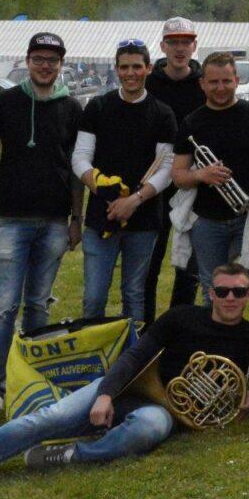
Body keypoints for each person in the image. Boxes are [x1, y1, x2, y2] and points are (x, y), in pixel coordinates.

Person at [0, 264, 249, 499]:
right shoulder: (180, 317)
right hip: (125, 390)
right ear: (210, 292)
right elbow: (133, 357)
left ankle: (67, 454)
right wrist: (106, 394)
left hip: (168, 413)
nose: (229, 298)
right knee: (45, 420)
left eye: (238, 292)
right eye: (222, 290)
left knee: (147, 430)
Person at [0, 32, 83, 424]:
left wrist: (77, 217)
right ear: (27, 60)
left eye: (52, 60)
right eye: (38, 58)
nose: (45, 65)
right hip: (9, 220)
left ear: (61, 63)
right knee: (2, 309)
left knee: (38, 307)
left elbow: (79, 170)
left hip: (54, 222)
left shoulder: (72, 108)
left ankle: (33, 383)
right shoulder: (2, 103)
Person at [171, 52, 249, 321]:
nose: (220, 88)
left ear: (236, 80)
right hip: (207, 222)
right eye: (213, 82)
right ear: (202, 84)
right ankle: (217, 348)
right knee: (213, 288)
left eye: (226, 81)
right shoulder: (191, 123)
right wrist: (202, 175)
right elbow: (178, 175)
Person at [72, 40, 176, 323]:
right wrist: (100, 186)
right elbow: (80, 158)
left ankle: (132, 362)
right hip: (101, 217)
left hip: (143, 220)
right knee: (94, 297)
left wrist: (134, 200)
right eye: (125, 67)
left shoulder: (163, 113)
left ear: (149, 69)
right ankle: (94, 359)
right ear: (116, 70)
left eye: (137, 67)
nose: (131, 73)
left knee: (134, 294)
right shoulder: (98, 107)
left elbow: (166, 168)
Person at [142, 17, 206, 323]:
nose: (180, 49)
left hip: (193, 184)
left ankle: (177, 328)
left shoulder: (205, 83)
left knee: (188, 268)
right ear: (163, 45)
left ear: (194, 45)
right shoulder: (147, 82)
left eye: (186, 42)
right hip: (154, 184)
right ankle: (144, 330)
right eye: (174, 43)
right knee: (148, 264)